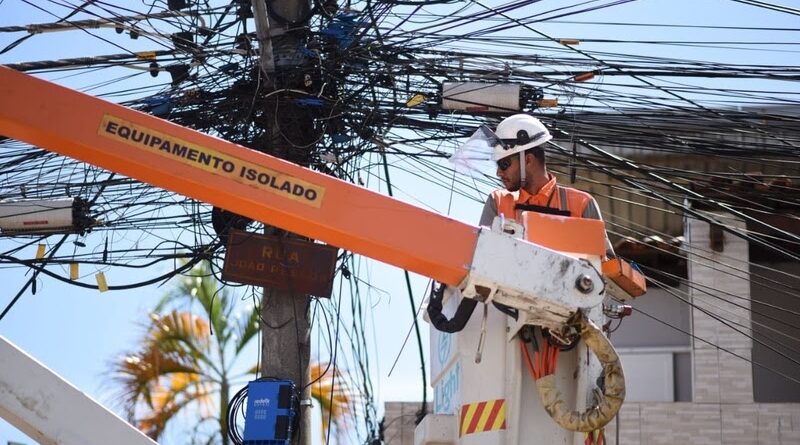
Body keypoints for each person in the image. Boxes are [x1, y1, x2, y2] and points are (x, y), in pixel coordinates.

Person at [475, 114, 614, 257]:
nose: (498, 173)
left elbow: (606, 265)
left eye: (504, 164)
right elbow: (480, 256)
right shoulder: (497, 201)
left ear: (528, 160)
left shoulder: (582, 204)